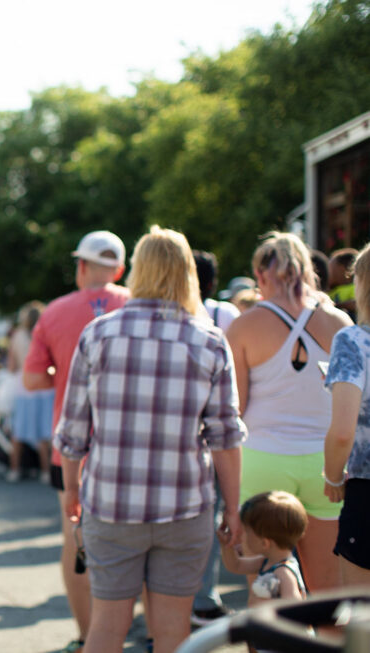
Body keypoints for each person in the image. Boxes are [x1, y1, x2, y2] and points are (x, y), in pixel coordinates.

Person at [56, 226, 246, 653]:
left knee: (107, 627)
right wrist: (232, 507)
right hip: (184, 507)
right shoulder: (210, 341)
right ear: (187, 274)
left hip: (110, 504)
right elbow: (225, 437)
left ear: (137, 270)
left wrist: (71, 488)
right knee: (174, 632)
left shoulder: (98, 334)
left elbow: (72, 431)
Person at [226, 231, 351, 596]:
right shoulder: (339, 323)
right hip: (324, 464)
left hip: (263, 457)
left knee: (267, 586)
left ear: (262, 275)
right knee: (328, 588)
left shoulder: (244, 325)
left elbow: (239, 407)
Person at [23, 229, 130, 653]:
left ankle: (90, 637)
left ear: (81, 265)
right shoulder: (138, 303)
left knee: (76, 541)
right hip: (129, 446)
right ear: (119, 269)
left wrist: (64, 373)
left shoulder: (55, 311)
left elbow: (32, 379)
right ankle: (129, 632)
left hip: (72, 445)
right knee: (133, 540)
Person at [190, 249, 241, 626]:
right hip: (221, 432)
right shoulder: (227, 316)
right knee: (216, 517)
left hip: (187, 435)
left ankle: (190, 597)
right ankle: (204, 596)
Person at [322, 242, 370, 587]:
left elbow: (343, 431)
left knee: (360, 619)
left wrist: (333, 476)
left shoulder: (353, 341)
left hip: (366, 488)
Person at [218, 491, 308, 602]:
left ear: (265, 543)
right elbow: (236, 565)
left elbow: (294, 606)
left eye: (247, 532)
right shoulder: (267, 562)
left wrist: (268, 607)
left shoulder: (284, 572)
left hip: (272, 619)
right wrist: (227, 545)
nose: (242, 536)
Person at [6, 300, 52, 483]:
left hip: (23, 386)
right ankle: (46, 471)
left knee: (19, 431)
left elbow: (11, 366)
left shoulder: (17, 336)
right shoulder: (46, 334)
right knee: (43, 432)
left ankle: (14, 469)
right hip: (45, 386)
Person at [328, 247, 358, 320]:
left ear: (342, 269)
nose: (328, 272)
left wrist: (339, 305)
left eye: (331, 267)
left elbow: (357, 304)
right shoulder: (332, 290)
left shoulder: (354, 287)